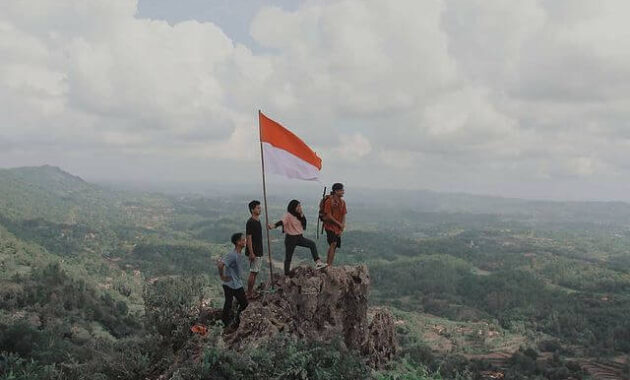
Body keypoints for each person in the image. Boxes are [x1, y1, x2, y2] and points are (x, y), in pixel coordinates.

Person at [268, 199, 327, 275]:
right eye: (298, 206)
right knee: (288, 257)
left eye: (300, 206)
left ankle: (318, 262)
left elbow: (304, 224)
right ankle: (286, 273)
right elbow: (281, 222)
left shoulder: (299, 215)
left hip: (299, 237)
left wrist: (302, 214)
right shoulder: (288, 215)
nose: (300, 207)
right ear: (294, 207)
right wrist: (273, 226)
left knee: (312, 244)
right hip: (290, 238)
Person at [217, 232, 248, 327]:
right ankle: (227, 323)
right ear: (238, 242)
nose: (245, 241)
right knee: (234, 304)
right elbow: (220, 264)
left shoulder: (238, 254)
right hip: (231, 285)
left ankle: (233, 321)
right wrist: (222, 276)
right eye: (243, 240)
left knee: (237, 304)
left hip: (236, 283)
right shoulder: (232, 255)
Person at [323, 183, 347, 267]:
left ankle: (329, 264)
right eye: (341, 190)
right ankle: (328, 265)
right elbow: (328, 216)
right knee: (333, 243)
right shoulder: (329, 202)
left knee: (334, 245)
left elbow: (344, 215)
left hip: (337, 228)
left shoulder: (343, 202)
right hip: (329, 226)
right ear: (336, 191)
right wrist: (339, 224)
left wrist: (341, 227)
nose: (343, 192)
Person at [246, 200, 264, 299]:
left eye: (260, 207)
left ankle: (250, 291)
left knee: (255, 272)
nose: (260, 209)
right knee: (253, 272)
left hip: (259, 250)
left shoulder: (257, 220)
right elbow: (249, 238)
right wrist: (251, 253)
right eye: (257, 207)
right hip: (255, 251)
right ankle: (249, 293)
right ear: (252, 210)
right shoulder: (251, 222)